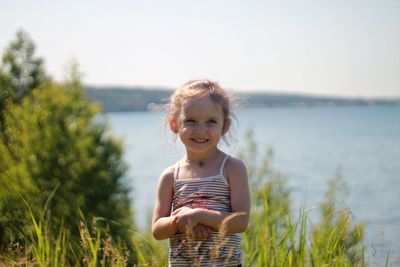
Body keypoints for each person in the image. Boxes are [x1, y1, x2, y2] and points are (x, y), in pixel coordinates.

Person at [152, 79, 250, 266]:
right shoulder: (170, 176)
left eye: (211, 121)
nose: (200, 130)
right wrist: (181, 221)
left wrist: (199, 215)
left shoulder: (232, 168)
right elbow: (157, 230)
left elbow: (240, 222)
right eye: (191, 121)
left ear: (225, 126)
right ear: (174, 124)